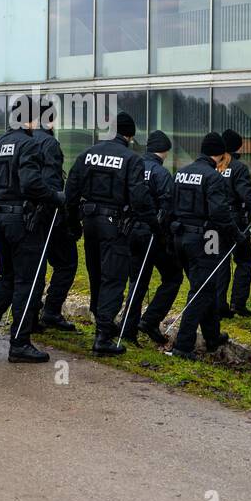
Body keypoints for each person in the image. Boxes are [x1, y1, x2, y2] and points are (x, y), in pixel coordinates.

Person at [0, 95, 56, 363]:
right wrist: (55, 197)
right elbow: (32, 184)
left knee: (8, 278)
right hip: (23, 222)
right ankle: (20, 343)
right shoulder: (29, 145)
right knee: (29, 281)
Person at [65, 111, 156, 355]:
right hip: (115, 225)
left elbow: (71, 188)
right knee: (113, 277)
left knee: (95, 273)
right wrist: (152, 222)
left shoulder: (88, 154)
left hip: (90, 221)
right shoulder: (131, 159)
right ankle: (103, 336)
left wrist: (73, 222)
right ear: (129, 135)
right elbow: (139, 196)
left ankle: (100, 318)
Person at [168, 133, 236, 360]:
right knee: (202, 289)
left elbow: (169, 206)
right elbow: (219, 213)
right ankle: (183, 345)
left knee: (204, 284)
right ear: (221, 154)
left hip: (180, 238)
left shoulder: (181, 173)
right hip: (206, 238)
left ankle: (212, 336)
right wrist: (235, 235)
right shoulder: (213, 177)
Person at [126, 130, 182, 346]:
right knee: (173, 277)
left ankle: (128, 329)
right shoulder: (161, 173)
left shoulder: (134, 167)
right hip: (153, 233)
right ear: (165, 151)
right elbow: (168, 208)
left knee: (137, 282)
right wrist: (165, 237)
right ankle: (150, 320)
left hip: (131, 230)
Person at [215, 129, 251, 318]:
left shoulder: (212, 166)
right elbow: (247, 195)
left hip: (214, 222)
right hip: (236, 221)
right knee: (244, 260)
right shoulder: (238, 168)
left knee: (220, 262)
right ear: (238, 147)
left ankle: (219, 303)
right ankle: (238, 303)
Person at [35, 107, 78, 333]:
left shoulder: (18, 139)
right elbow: (51, 182)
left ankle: (31, 314)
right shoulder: (49, 143)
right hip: (48, 215)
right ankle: (50, 311)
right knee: (67, 262)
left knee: (33, 266)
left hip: (22, 215)